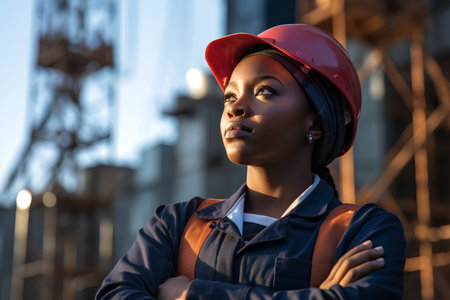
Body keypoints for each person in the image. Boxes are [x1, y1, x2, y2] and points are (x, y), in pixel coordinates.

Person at [96, 24, 405, 300]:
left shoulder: (364, 232)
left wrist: (193, 292)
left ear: (316, 122)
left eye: (265, 91)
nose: (237, 107)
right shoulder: (177, 224)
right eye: (229, 97)